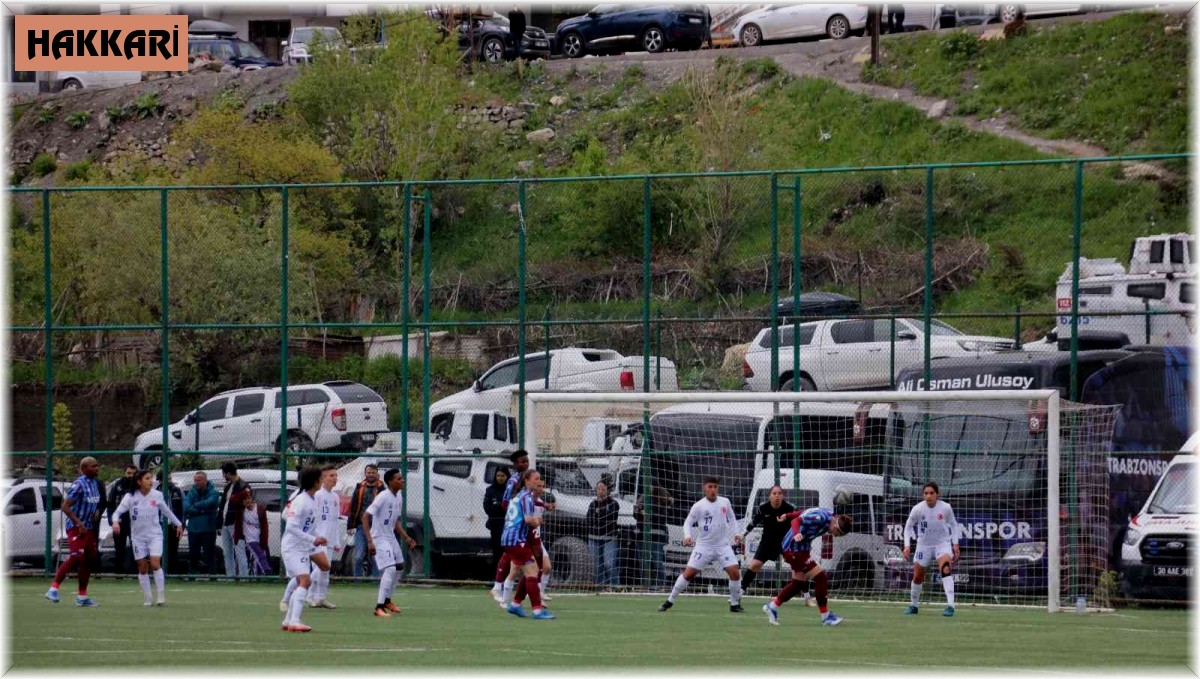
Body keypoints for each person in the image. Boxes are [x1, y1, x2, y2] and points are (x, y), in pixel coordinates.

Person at [658, 476, 744, 613]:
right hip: (704, 546)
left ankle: (734, 604)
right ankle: (670, 600)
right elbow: (687, 523)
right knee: (689, 574)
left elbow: (732, 518)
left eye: (715, 487)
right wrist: (687, 536)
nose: (713, 490)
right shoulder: (698, 506)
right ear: (704, 488)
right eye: (710, 487)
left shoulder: (725, 502)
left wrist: (736, 533)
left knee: (735, 572)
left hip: (723, 546)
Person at [762, 507, 852, 626]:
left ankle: (772, 607)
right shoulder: (821, 518)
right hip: (793, 549)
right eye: (838, 534)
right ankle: (826, 617)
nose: (835, 536)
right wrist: (796, 532)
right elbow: (796, 521)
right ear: (835, 527)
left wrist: (787, 515)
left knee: (798, 584)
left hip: (801, 549)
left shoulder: (830, 514)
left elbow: (804, 512)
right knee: (821, 577)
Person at [111, 469, 184, 606]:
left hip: (154, 535)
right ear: (139, 481)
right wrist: (115, 522)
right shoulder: (130, 497)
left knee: (155, 563)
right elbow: (117, 513)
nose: (151, 481)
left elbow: (166, 511)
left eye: (151, 478)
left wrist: (178, 523)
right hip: (138, 537)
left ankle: (161, 596)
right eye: (147, 478)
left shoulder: (157, 495)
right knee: (142, 568)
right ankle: (148, 598)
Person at [46, 457, 104, 606]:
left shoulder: (95, 483)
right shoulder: (78, 484)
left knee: (89, 559)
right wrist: (79, 523)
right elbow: (65, 506)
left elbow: (93, 502)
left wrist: (96, 512)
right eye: (93, 466)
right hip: (76, 527)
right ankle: (53, 589)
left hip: (89, 527)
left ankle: (82, 597)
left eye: (97, 465)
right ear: (84, 469)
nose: (97, 468)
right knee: (76, 556)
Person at [279, 466, 331, 633]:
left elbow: (307, 527)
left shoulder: (312, 499)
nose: (323, 481)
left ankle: (288, 620)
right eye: (321, 478)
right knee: (305, 581)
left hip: (302, 547)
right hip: (293, 547)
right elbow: (292, 528)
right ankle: (294, 620)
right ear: (314, 481)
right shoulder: (300, 500)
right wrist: (313, 539)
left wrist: (318, 537)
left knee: (304, 579)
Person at [741, 485, 811, 605]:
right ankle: (739, 593)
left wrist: (799, 537)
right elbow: (754, 521)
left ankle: (807, 597)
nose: (777, 496)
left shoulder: (790, 508)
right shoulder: (763, 507)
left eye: (779, 493)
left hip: (786, 542)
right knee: (754, 565)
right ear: (769, 496)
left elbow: (798, 523)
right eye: (774, 493)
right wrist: (743, 535)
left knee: (798, 568)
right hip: (767, 542)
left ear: (783, 496)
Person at [363, 468, 417, 617]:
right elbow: (365, 517)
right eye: (399, 479)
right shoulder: (382, 497)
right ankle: (378, 607)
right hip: (378, 537)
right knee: (390, 569)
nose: (402, 481)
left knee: (399, 566)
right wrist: (370, 541)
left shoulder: (399, 496)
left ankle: (387, 601)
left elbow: (396, 521)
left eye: (402, 478)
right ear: (390, 482)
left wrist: (406, 537)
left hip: (390, 536)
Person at [501, 470, 554, 620]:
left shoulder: (518, 496)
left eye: (540, 479)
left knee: (530, 570)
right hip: (516, 539)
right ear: (527, 481)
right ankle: (537, 610)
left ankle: (516, 604)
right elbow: (528, 520)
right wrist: (537, 521)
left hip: (509, 538)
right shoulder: (526, 497)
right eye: (536, 479)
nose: (539, 481)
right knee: (533, 572)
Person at [903, 481, 960, 617]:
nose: (929, 496)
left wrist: (955, 544)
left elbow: (954, 525)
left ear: (937, 494)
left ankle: (951, 606)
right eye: (926, 493)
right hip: (924, 545)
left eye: (931, 493)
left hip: (942, 544)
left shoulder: (946, 508)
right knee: (918, 576)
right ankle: (914, 605)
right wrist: (907, 546)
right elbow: (908, 527)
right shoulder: (917, 509)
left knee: (945, 569)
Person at [490, 449, 530, 602]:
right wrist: (518, 511)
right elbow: (505, 503)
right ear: (515, 464)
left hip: (525, 524)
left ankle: (502, 590)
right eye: (522, 461)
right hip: (516, 523)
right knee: (519, 557)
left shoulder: (528, 477)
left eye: (526, 461)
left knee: (512, 556)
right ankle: (506, 590)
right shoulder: (513, 481)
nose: (525, 463)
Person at [307, 465, 343, 609]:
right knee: (321, 568)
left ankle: (320, 598)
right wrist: (313, 536)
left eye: (335, 475)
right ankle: (306, 592)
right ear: (322, 478)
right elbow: (311, 517)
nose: (334, 478)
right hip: (317, 539)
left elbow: (335, 520)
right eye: (331, 476)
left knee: (325, 571)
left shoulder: (335, 497)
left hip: (329, 540)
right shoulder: (317, 495)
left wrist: (337, 540)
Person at [347, 463, 385, 580]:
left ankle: (376, 581)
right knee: (358, 556)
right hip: (360, 527)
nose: (371, 474)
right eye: (369, 472)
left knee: (375, 556)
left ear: (377, 474)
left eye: (373, 472)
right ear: (365, 474)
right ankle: (357, 580)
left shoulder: (382, 489)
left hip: (376, 527)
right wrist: (350, 525)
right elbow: (353, 507)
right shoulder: (359, 488)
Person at [184, 471, 220, 576]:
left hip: (208, 528)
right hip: (193, 529)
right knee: (193, 554)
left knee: (209, 553)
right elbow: (186, 507)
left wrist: (194, 507)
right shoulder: (192, 492)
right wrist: (201, 511)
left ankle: (213, 575)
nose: (196, 482)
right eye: (195, 480)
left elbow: (210, 502)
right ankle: (192, 574)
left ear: (205, 480)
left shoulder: (214, 492)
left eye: (198, 480)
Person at [218, 462, 250, 580]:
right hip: (225, 523)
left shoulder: (243, 486)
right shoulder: (228, 487)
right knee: (227, 552)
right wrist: (219, 522)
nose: (224, 476)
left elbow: (245, 503)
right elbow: (222, 506)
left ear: (228, 473)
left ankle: (244, 577)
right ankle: (230, 577)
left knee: (240, 551)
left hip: (236, 524)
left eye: (224, 473)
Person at [634, 485, 671, 586]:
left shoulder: (663, 498)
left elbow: (662, 517)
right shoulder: (642, 498)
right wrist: (640, 512)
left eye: (650, 485)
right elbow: (635, 513)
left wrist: (648, 514)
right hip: (641, 536)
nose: (647, 487)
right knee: (642, 563)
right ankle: (644, 585)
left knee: (657, 563)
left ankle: (661, 586)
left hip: (656, 538)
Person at [587, 480, 620, 591]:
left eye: (603, 489)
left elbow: (611, 519)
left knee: (609, 564)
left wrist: (599, 515)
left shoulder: (614, 504)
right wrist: (600, 517)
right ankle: (599, 588)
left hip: (609, 538)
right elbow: (589, 520)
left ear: (608, 491)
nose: (600, 491)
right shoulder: (593, 504)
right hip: (594, 538)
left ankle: (615, 587)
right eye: (598, 489)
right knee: (597, 566)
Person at [107, 464, 138, 574]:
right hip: (120, 521)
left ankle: (135, 572)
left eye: (133, 473)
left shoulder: (139, 486)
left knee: (136, 548)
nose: (130, 475)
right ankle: (119, 573)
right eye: (128, 473)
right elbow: (110, 504)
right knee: (119, 549)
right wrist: (112, 522)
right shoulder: (118, 485)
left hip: (135, 522)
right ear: (125, 473)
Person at [483, 467, 510, 576]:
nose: (500, 478)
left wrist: (497, 506)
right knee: (497, 552)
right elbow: (487, 508)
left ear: (507, 476)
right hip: (495, 526)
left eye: (502, 476)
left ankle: (508, 577)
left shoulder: (510, 490)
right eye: (498, 476)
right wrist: (500, 506)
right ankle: (497, 579)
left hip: (508, 526)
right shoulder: (490, 490)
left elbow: (510, 508)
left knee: (508, 552)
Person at [158, 470, 184, 573]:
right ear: (160, 480)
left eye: (170, 479)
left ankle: (173, 572)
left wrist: (180, 524)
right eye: (167, 479)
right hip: (159, 525)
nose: (170, 481)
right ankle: (161, 572)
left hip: (173, 526)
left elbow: (183, 508)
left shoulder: (177, 491)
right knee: (160, 550)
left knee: (173, 550)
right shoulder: (156, 491)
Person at [240, 493, 272, 575]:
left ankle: (258, 575)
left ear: (251, 499)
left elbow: (264, 526)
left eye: (248, 498)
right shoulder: (242, 511)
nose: (247, 501)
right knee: (260, 555)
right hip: (250, 539)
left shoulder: (259, 509)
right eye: (244, 500)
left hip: (259, 537)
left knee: (260, 556)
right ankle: (266, 570)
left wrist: (264, 539)